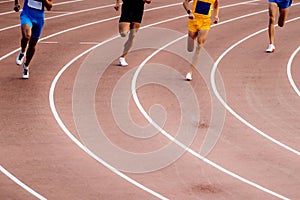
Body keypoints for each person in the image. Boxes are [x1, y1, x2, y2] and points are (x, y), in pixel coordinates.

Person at [14, 0, 52, 79]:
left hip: (39, 19)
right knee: (26, 36)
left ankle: (26, 66)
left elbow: (49, 7)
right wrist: (16, 3)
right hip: (27, 14)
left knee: (32, 44)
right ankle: (22, 51)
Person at [183, 0, 219, 81]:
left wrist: (216, 16)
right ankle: (194, 37)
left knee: (199, 45)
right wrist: (189, 12)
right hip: (194, 20)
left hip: (205, 22)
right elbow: (185, 2)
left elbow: (216, 5)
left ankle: (190, 72)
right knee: (190, 48)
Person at [114, 0, 151, 66]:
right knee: (123, 33)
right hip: (127, 8)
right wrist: (117, 3)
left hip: (138, 10)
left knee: (133, 35)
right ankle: (127, 26)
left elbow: (149, 1)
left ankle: (122, 57)